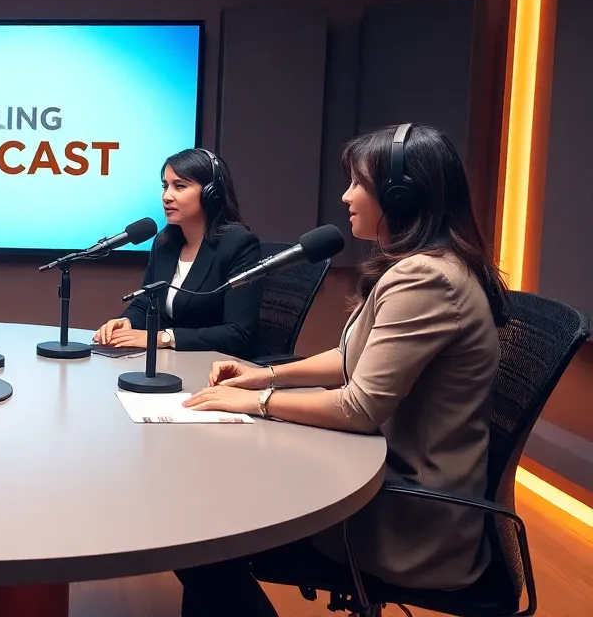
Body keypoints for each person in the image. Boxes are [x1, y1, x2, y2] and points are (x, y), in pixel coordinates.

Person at [175, 123, 509, 615]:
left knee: (199, 530)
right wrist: (265, 376)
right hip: (381, 482)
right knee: (213, 506)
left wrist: (255, 404)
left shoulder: (426, 278)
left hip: (406, 522)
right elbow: (350, 358)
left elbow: (358, 406)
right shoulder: (426, 264)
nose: (346, 195)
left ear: (398, 195)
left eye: (359, 182)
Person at [93, 148, 261, 359]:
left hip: (219, 367)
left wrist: (164, 338)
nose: (167, 196)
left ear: (211, 194)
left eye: (179, 186)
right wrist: (127, 322)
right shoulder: (165, 242)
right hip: (172, 363)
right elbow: (147, 300)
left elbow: (238, 334)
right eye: (165, 186)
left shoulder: (239, 244)